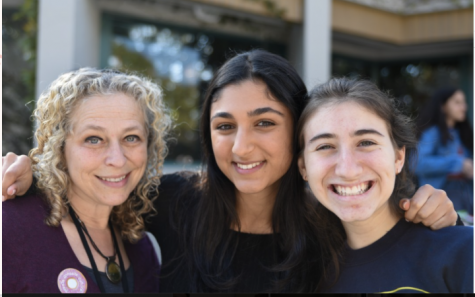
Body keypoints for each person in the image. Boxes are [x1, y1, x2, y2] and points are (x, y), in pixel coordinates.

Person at [2, 51, 459, 293]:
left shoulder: (333, 219)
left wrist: (436, 210)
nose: (242, 147)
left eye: (265, 123)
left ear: (299, 136)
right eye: (225, 126)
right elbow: (102, 175)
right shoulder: (174, 201)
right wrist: (31, 173)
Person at [297, 78, 473, 293]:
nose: (347, 169)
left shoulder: (464, 252)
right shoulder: (304, 277)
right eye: (325, 146)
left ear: (399, 157)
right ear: (303, 167)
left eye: (366, 143)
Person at [3, 68, 171, 293]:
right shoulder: (11, 228)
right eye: (94, 139)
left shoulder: (140, 246)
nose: (117, 159)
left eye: (131, 138)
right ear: (60, 148)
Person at [415, 88, 473, 223]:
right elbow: (417, 164)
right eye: (457, 102)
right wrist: (457, 163)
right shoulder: (432, 133)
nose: (464, 107)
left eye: (464, 102)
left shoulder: (463, 134)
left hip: (467, 200)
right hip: (440, 203)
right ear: (443, 107)